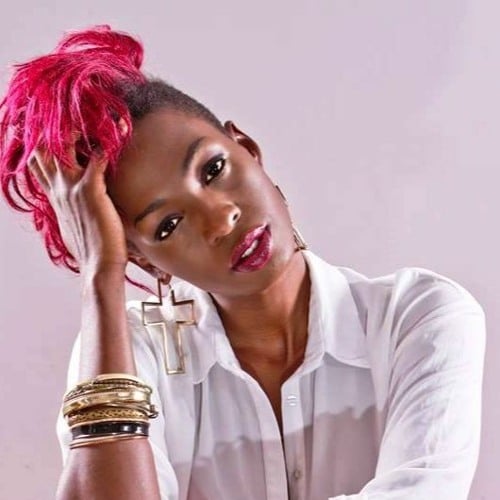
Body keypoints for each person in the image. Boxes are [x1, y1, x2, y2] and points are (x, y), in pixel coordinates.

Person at [0, 25, 486, 500]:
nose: (220, 218)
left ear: (249, 149)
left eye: (213, 169)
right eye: (168, 225)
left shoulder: (417, 317)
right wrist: (100, 278)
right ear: (146, 263)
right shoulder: (129, 352)